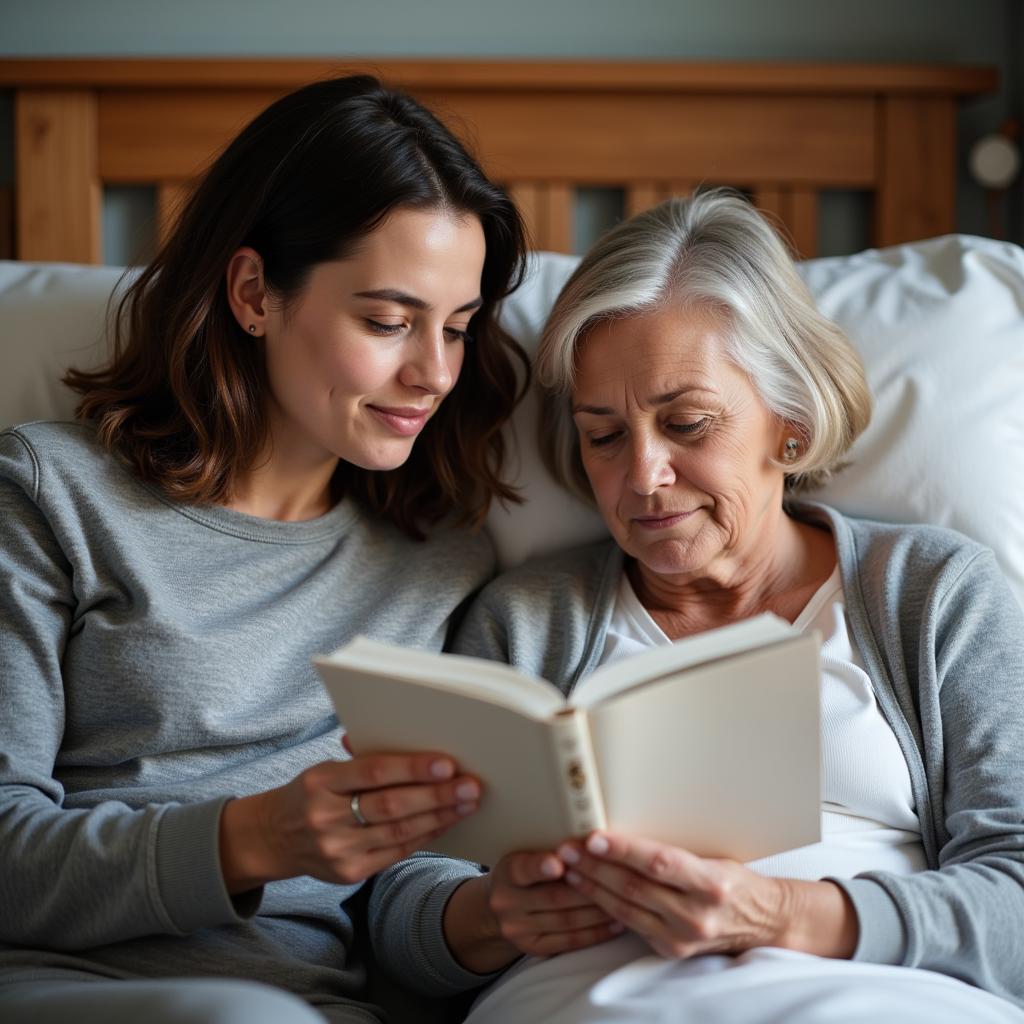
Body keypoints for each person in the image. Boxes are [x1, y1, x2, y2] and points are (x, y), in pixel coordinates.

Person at [397, 189, 1024, 1022]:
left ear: (789, 422)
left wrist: (778, 914)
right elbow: (400, 911)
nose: (643, 476)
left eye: (687, 423)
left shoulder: (934, 593)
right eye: (604, 434)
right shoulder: (526, 622)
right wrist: (495, 916)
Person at [0, 75, 529, 1023]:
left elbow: (396, 906)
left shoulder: (441, 561)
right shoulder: (51, 495)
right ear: (253, 293)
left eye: (457, 328)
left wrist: (494, 913)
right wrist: (254, 839)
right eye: (387, 322)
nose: (435, 373)